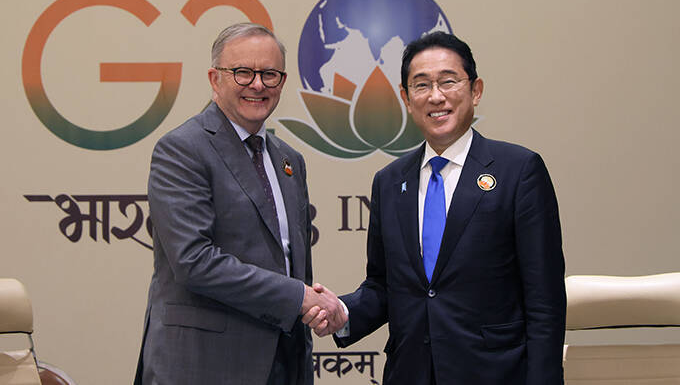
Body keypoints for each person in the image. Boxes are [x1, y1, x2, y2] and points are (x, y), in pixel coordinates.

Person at [308, 31, 566, 384]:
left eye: (448, 81)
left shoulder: (518, 171)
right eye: (421, 85)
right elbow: (384, 285)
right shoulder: (389, 182)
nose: (436, 96)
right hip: (410, 373)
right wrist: (343, 311)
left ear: (475, 90)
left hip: (496, 374)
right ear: (406, 98)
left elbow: (544, 299)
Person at [134, 23, 346, 385]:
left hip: (283, 362)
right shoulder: (182, 149)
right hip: (204, 367)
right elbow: (194, 261)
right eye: (243, 72)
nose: (258, 85)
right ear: (215, 79)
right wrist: (299, 297)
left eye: (269, 74)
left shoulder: (288, 160)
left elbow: (293, 266)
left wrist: (309, 305)